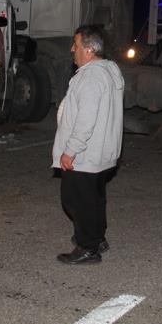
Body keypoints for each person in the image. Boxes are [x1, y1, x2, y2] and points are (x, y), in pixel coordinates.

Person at [52, 24, 125, 265]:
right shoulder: (109, 71)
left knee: (76, 200)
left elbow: (86, 119)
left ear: (90, 49)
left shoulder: (91, 76)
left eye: (76, 44)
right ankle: (97, 238)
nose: (72, 49)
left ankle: (87, 248)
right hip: (102, 152)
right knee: (94, 199)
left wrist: (70, 150)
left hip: (86, 153)